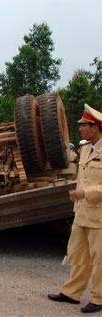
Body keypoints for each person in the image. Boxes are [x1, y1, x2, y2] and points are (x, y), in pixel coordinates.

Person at [48, 104, 102, 314]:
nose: (80, 129)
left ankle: (98, 298)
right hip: (81, 213)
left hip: (98, 214)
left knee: (99, 259)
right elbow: (82, 178)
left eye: (84, 125)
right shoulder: (86, 148)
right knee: (77, 255)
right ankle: (71, 292)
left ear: (96, 127)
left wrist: (86, 193)